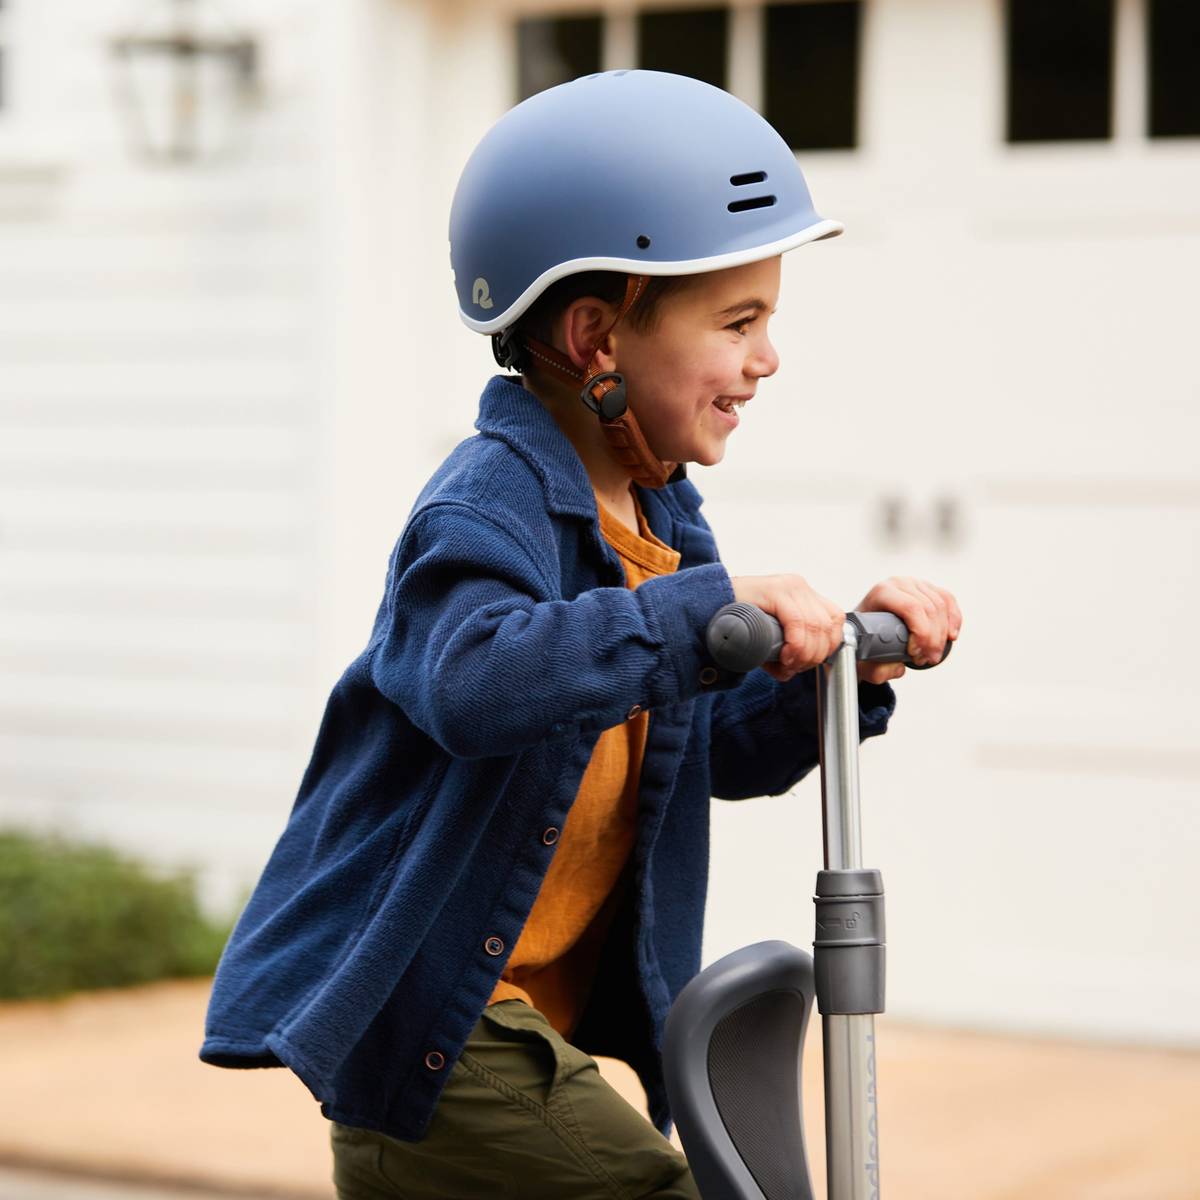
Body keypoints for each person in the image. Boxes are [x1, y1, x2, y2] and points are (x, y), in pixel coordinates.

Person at [200, 70, 962, 1199]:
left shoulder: (662, 517)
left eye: (770, 321)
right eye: (738, 322)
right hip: (436, 1036)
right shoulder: (487, 503)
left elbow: (718, 745)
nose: (768, 359)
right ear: (596, 336)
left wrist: (852, 665)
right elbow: (478, 681)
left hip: (517, 1038)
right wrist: (700, 614)